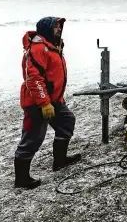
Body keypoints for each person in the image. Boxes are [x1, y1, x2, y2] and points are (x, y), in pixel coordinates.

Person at [14, 16, 81, 189]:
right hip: (37, 102)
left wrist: (55, 98)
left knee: (66, 121)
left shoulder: (53, 47)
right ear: (46, 28)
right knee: (33, 137)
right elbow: (34, 78)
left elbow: (53, 75)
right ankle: (21, 179)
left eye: (60, 26)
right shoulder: (38, 48)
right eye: (55, 27)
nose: (59, 29)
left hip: (53, 100)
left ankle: (60, 161)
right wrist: (44, 103)